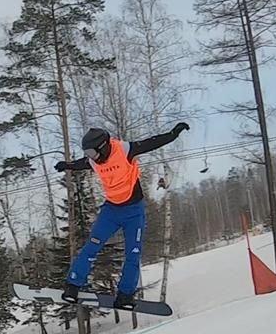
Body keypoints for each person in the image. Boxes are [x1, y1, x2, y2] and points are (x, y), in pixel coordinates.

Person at [55, 123, 189, 309]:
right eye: (88, 154)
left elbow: (152, 143)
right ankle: (73, 286)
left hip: (134, 212)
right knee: (91, 247)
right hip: (111, 211)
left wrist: (173, 134)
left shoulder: (125, 150)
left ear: (103, 146)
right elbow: (81, 164)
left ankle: (125, 295)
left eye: (92, 153)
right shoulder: (94, 160)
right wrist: (67, 165)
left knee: (133, 253)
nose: (91, 158)